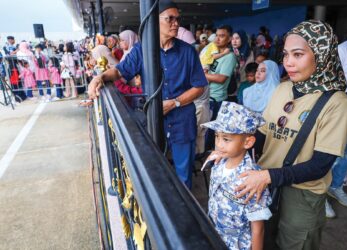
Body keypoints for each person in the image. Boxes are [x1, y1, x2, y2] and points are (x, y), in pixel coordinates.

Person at [219, 20, 347, 250]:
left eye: (298, 54)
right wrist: (231, 150)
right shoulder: (282, 89)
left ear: (321, 54)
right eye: (286, 54)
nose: (288, 63)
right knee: (263, 240)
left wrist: (267, 176)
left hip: (302, 196)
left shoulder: (337, 103)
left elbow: (320, 165)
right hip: (265, 185)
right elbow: (263, 132)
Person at [88, 0, 207, 189]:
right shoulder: (142, 50)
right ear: (156, 21)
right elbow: (119, 71)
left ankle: (181, 215)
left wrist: (174, 103)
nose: (176, 23)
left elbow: (199, 86)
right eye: (170, 19)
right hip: (153, 120)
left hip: (182, 120)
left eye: (178, 19)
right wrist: (99, 78)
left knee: (183, 176)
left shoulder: (188, 52)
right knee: (154, 172)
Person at [202, 102, 271, 250]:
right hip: (214, 235)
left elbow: (258, 229)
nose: (219, 144)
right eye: (216, 136)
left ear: (248, 142)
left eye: (226, 139)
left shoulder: (252, 180)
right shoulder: (218, 162)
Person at [325, 37, 347, 218]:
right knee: (328, 148)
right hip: (342, 100)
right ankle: (319, 192)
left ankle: (335, 186)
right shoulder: (342, 49)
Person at [205, 25, 237, 150]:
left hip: (216, 99)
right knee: (205, 132)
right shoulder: (215, 53)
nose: (217, 39)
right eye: (216, 35)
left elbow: (221, 78)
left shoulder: (230, 57)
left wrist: (203, 75)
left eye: (222, 36)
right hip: (207, 97)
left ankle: (212, 161)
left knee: (211, 135)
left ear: (229, 39)